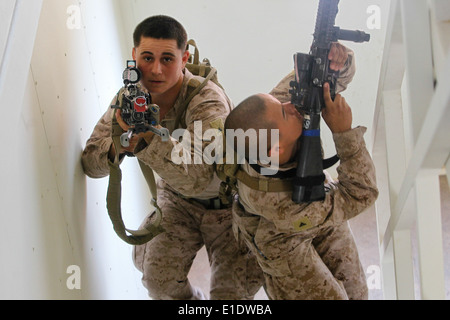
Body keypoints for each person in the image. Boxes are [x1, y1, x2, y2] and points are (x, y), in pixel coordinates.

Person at [81, 15, 263, 300]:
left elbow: (201, 175)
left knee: (232, 296)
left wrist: (147, 139)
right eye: (147, 57)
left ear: (184, 58)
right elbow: (90, 161)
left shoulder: (206, 100)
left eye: (167, 59)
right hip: (177, 202)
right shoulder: (130, 99)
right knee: (158, 281)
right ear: (133, 56)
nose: (155, 69)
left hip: (231, 206)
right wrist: (120, 148)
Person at [224, 47, 379, 299]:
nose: (291, 104)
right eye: (285, 110)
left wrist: (337, 60)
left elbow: (321, 81)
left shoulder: (273, 118)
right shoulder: (275, 200)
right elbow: (360, 194)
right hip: (282, 241)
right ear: (276, 149)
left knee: (356, 292)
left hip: (314, 201)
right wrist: (344, 133)